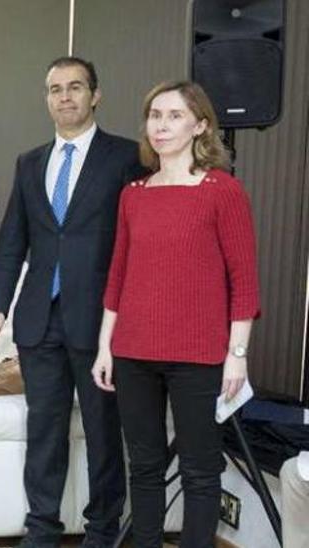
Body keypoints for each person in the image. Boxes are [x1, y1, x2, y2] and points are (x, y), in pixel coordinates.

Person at [0, 56, 145, 548]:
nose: (64, 97)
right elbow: (13, 243)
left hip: (100, 323)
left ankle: (102, 530)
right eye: (55, 89)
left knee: (101, 434)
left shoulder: (126, 157)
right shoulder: (30, 162)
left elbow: (136, 241)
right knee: (44, 433)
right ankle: (42, 528)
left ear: (95, 95)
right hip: (38, 321)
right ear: (46, 98)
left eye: (75, 87)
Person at [91, 81, 260, 547]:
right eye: (155, 115)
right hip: (132, 352)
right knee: (143, 469)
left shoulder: (221, 191)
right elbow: (118, 275)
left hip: (201, 356)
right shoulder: (135, 194)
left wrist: (237, 354)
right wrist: (106, 346)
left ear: (200, 125)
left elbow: (243, 282)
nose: (161, 125)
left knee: (200, 472)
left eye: (174, 116)